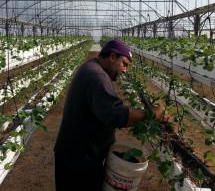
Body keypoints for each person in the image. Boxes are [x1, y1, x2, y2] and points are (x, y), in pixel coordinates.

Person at [54, 39, 168, 191]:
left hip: (79, 155)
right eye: (124, 64)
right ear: (113, 57)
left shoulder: (92, 68)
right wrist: (151, 114)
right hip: (79, 161)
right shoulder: (96, 76)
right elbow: (114, 115)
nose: (125, 70)